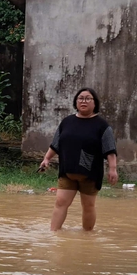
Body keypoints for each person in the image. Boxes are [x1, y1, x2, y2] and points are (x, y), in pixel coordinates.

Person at [39, 87, 118, 231]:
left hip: (90, 173)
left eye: (88, 98)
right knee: (60, 202)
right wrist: (46, 159)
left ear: (95, 103)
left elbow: (110, 150)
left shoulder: (102, 125)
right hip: (67, 171)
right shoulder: (67, 122)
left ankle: (87, 237)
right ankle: (54, 234)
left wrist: (113, 169)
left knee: (88, 206)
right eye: (80, 98)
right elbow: (56, 144)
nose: (84, 101)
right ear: (76, 101)